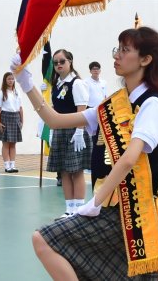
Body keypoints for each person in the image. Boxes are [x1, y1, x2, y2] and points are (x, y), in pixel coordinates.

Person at [19, 26, 158, 281]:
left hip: (133, 214)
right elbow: (54, 120)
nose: (116, 55)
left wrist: (94, 203)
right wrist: (25, 82)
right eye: (117, 49)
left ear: (146, 60)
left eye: (125, 50)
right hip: (110, 206)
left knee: (43, 239)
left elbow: (129, 159)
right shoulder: (113, 104)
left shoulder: (152, 104)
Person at [48, 49, 92, 216]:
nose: (58, 65)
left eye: (62, 61)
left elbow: (82, 108)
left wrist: (79, 131)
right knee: (64, 170)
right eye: (56, 62)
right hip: (60, 131)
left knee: (77, 170)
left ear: (70, 62)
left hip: (75, 131)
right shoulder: (57, 84)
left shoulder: (77, 83)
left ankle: (79, 209)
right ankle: (69, 209)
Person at [0, 72, 24, 174]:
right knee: (6, 144)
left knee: (13, 144)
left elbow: (20, 108)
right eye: (9, 79)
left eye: (12, 79)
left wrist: (21, 121)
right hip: (5, 117)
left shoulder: (17, 92)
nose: (11, 81)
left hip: (15, 117)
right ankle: (7, 166)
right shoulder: (1, 93)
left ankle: (12, 165)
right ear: (5, 80)